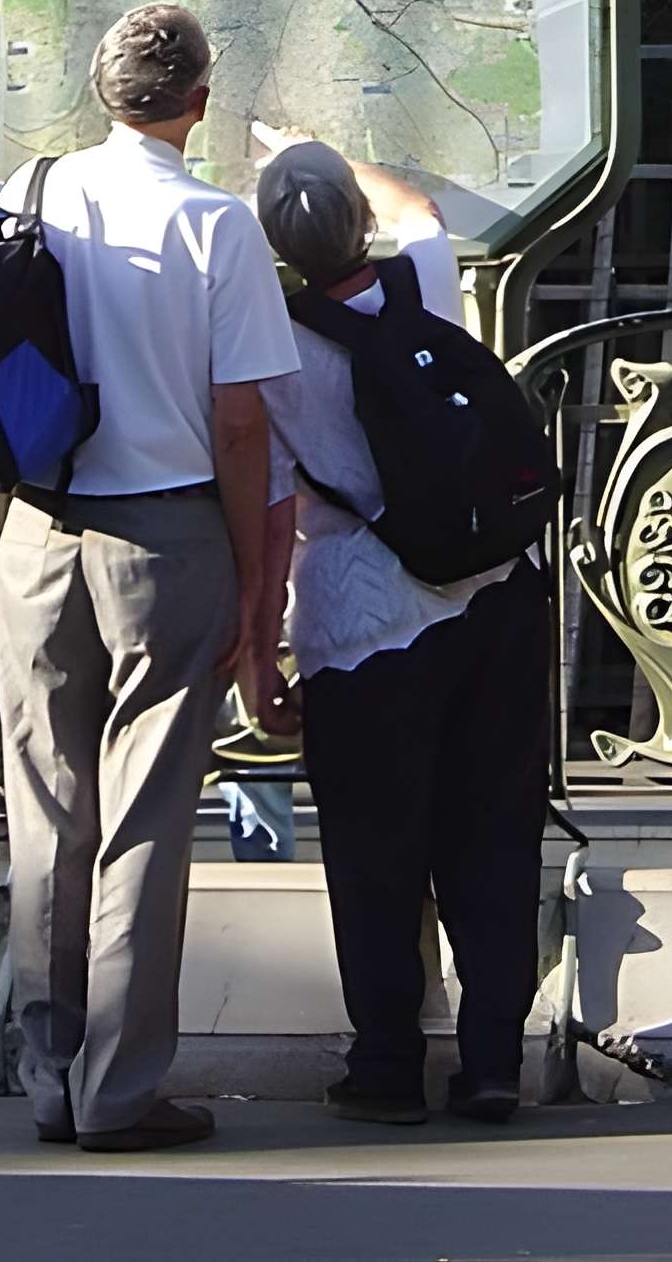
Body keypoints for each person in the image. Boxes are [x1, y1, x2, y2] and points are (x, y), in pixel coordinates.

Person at [0, 5, 297, 1151]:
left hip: (35, 529)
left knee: (47, 809)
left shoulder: (35, 188)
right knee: (145, 818)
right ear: (199, 101)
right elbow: (239, 423)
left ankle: (47, 1072)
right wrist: (256, 594)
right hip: (164, 537)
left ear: (99, 89)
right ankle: (120, 1089)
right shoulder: (216, 225)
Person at [252, 140, 550, 1130]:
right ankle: (493, 1061)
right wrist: (322, 147)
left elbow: (272, 499)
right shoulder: (420, 284)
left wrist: (260, 646)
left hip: (358, 618)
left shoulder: (271, 340)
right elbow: (420, 207)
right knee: (493, 831)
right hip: (489, 596)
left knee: (374, 848)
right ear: (355, 224)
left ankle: (384, 1062)